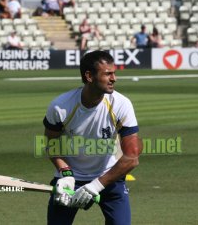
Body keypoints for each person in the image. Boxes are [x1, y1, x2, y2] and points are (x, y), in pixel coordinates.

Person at [43, 50, 142, 225]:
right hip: (70, 181)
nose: (114, 78)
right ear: (89, 76)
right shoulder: (60, 106)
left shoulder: (121, 104)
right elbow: (51, 143)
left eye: (114, 73)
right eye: (108, 74)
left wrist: (96, 185)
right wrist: (65, 174)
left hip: (109, 178)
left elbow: (132, 158)